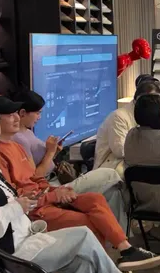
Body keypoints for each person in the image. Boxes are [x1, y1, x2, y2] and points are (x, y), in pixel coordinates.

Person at [0, 109, 155, 273]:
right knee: (83, 234)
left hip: (19, 243)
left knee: (82, 263)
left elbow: (13, 196)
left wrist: (22, 202)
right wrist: (15, 207)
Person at [0, 97, 160, 271]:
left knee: (95, 199)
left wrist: (56, 190)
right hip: (34, 208)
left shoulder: (16, 146)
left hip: (47, 192)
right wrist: (52, 194)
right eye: (10, 115)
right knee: (90, 219)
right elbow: (15, 195)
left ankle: (126, 250)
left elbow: (35, 178)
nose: (16, 118)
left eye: (16, 113)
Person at [11, 90, 127, 228]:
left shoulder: (27, 132)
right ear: (22, 113)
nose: (39, 117)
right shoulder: (19, 140)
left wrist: (53, 152)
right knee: (110, 174)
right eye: (37, 113)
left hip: (56, 179)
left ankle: (120, 235)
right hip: (52, 187)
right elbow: (35, 176)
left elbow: (42, 163)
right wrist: (50, 152)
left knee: (114, 192)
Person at [94, 82, 160, 176]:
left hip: (133, 163)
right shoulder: (119, 117)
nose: (157, 104)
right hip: (112, 167)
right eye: (153, 100)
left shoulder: (146, 116)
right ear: (139, 99)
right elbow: (120, 151)